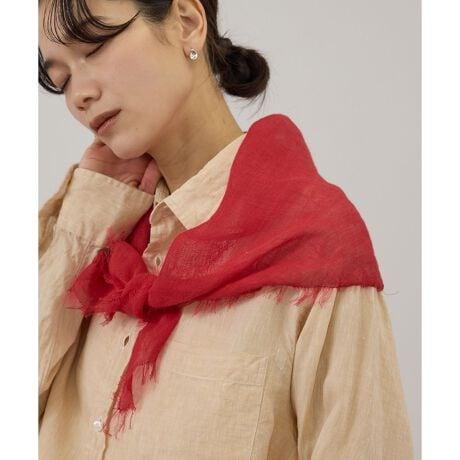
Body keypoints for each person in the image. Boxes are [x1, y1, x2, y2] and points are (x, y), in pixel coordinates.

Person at [38, 0, 414, 459]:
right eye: (61, 79)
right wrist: (86, 213)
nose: (78, 95)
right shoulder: (94, 238)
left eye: (95, 46)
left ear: (187, 22)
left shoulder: (315, 250)